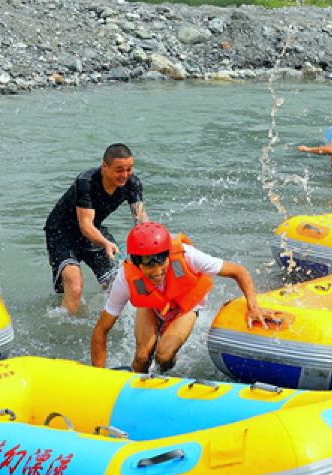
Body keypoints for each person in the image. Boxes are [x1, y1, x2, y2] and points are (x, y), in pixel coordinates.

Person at [90, 222, 267, 373]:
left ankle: (164, 374)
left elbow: (238, 271)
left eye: (161, 259)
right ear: (136, 262)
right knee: (142, 358)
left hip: (186, 306)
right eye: (149, 262)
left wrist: (253, 306)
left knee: (163, 356)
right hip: (152, 305)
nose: (158, 269)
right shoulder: (125, 278)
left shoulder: (188, 256)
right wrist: (99, 377)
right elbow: (101, 329)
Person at [43, 143, 148, 315]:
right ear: (104, 166)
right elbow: (85, 225)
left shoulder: (132, 183)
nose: (125, 175)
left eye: (129, 169)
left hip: (95, 230)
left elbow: (141, 221)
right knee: (75, 288)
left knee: (118, 285)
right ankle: (62, 333)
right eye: (119, 170)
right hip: (62, 233)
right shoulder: (87, 181)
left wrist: (153, 246)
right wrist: (106, 243)